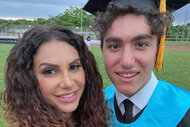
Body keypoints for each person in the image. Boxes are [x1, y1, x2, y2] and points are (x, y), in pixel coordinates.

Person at [83, 0, 190, 126]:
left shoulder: (185, 111)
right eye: (114, 46)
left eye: (141, 44)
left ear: (157, 48)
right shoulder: (94, 108)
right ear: (102, 49)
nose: (126, 61)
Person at [0, 25, 110, 127]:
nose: (68, 83)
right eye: (50, 71)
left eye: (74, 67)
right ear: (27, 79)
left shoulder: (96, 118)